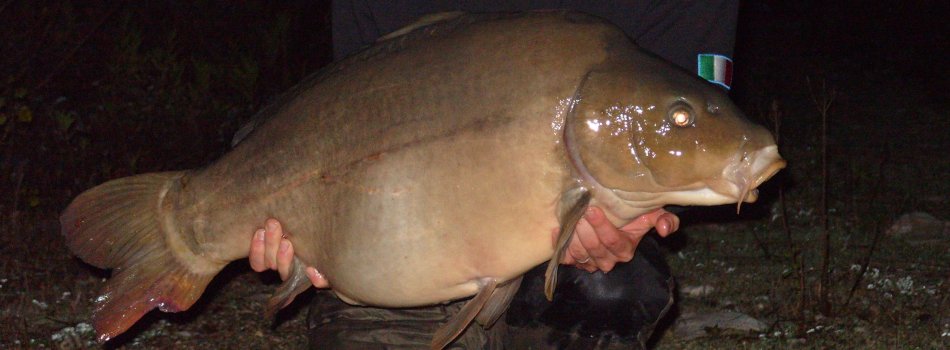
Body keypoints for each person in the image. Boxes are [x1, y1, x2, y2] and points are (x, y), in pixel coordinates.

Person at [250, 1, 738, 348]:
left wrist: (648, 214)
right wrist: (311, 226)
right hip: (410, 231)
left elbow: (679, 118)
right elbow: (345, 114)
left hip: (572, 252)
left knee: (613, 289)